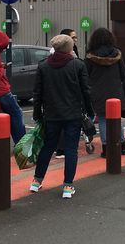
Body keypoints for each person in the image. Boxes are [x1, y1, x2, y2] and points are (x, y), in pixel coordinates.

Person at [30, 34, 94, 199]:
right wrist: (90, 111)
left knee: (48, 146)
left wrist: (37, 113)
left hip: (51, 114)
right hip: (73, 113)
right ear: (69, 48)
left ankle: (36, 181)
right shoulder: (77, 65)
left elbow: (38, 93)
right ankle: (67, 186)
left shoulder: (43, 66)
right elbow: (86, 91)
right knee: (71, 149)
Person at [85, 27, 125, 158]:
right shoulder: (117, 54)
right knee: (116, 119)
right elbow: (123, 75)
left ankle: (106, 148)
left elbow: (86, 76)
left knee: (103, 119)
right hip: (115, 91)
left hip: (98, 92)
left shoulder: (90, 56)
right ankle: (122, 146)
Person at [53, 28, 79, 158]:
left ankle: (60, 147)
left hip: (59, 96)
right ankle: (62, 149)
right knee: (65, 123)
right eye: (73, 38)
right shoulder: (70, 59)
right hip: (65, 95)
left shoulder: (73, 53)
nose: (75, 40)